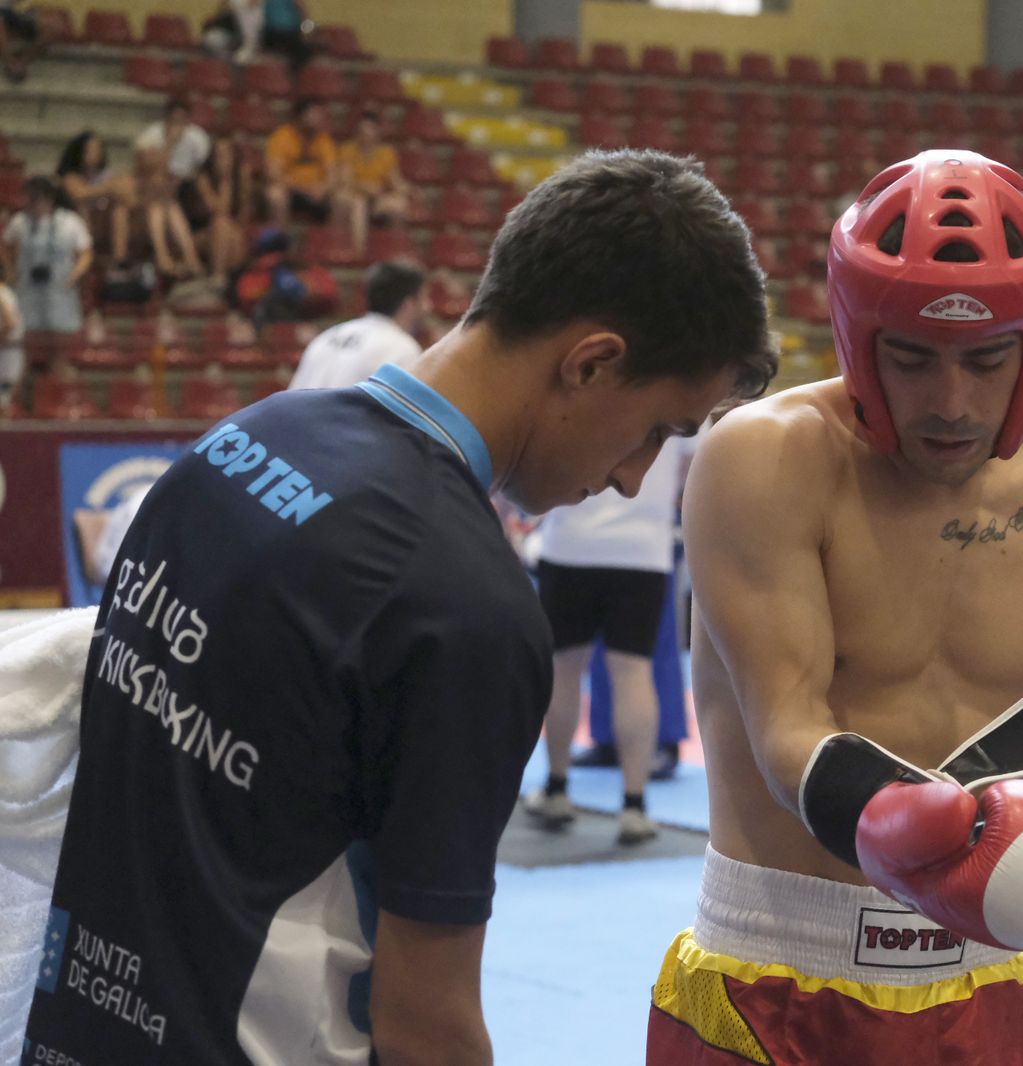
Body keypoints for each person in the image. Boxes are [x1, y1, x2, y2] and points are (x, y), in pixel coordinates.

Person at [24, 148, 775, 1064]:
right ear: (590, 363)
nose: (632, 478)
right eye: (658, 429)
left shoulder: (237, 443)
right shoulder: (466, 608)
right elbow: (427, 1023)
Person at [647, 150, 1023, 1064]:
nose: (952, 402)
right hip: (773, 988)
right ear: (859, 339)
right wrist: (903, 819)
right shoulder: (767, 460)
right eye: (913, 359)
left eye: (987, 361)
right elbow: (786, 731)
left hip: (989, 993)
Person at [523, 433, 695, 845]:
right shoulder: (687, 391)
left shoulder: (585, 385)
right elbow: (691, 471)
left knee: (564, 671)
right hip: (642, 550)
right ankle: (635, 805)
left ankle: (557, 788)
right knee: (633, 672)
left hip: (571, 545)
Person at [288, 259, 427, 389]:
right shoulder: (403, 348)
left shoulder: (326, 337)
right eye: (424, 298)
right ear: (409, 304)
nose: (428, 306)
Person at [0, 177, 92, 342]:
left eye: (36, 199)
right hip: (27, 285)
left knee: (60, 336)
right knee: (27, 335)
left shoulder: (70, 221)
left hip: (59, 286)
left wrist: (74, 276)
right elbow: (4, 245)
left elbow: (86, 252)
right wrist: (10, 270)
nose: (32, 204)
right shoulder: (19, 221)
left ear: (49, 199)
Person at [131, 99, 207, 279]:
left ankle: (183, 258)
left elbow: (199, 174)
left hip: (185, 193)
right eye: (174, 120)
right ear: (166, 119)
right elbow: (147, 172)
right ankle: (171, 257)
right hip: (155, 195)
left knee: (166, 204)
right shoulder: (151, 137)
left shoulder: (198, 139)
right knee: (162, 204)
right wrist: (170, 145)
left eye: (182, 120)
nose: (177, 125)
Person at [263, 99, 353, 235]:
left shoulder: (324, 139)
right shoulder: (282, 137)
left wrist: (323, 187)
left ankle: (332, 245)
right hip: (292, 190)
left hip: (318, 192)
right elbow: (274, 174)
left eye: (319, 115)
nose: (317, 119)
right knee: (275, 195)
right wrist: (302, 189)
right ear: (300, 116)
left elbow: (333, 175)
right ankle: (279, 246)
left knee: (343, 198)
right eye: (313, 114)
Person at [55, 130, 134, 266]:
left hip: (103, 222)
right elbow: (79, 194)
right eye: (90, 149)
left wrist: (116, 188)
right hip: (80, 224)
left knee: (120, 209)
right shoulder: (70, 176)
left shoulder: (108, 175)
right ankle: (87, 253)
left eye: (98, 149)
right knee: (82, 205)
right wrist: (108, 188)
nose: (95, 153)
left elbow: (128, 195)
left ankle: (119, 259)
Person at [338, 109, 409, 256]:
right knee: (358, 205)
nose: (366, 135)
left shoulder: (386, 153)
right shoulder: (347, 150)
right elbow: (346, 181)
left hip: (377, 198)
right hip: (354, 196)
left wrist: (402, 188)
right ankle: (359, 251)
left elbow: (394, 180)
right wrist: (364, 187)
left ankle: (396, 250)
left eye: (370, 130)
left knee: (399, 205)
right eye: (362, 131)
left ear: (377, 132)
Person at [194, 131, 255, 287]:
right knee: (221, 223)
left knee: (231, 233)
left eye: (227, 154)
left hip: (230, 235)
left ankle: (224, 283)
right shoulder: (203, 178)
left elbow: (243, 219)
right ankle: (218, 277)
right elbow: (218, 210)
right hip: (201, 234)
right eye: (219, 155)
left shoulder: (240, 178)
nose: (223, 159)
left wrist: (243, 189)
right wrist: (225, 180)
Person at [0, 261, 22, 408]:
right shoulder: (6, 291)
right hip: (9, 350)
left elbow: (11, 322)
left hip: (7, 352)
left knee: (4, 400)